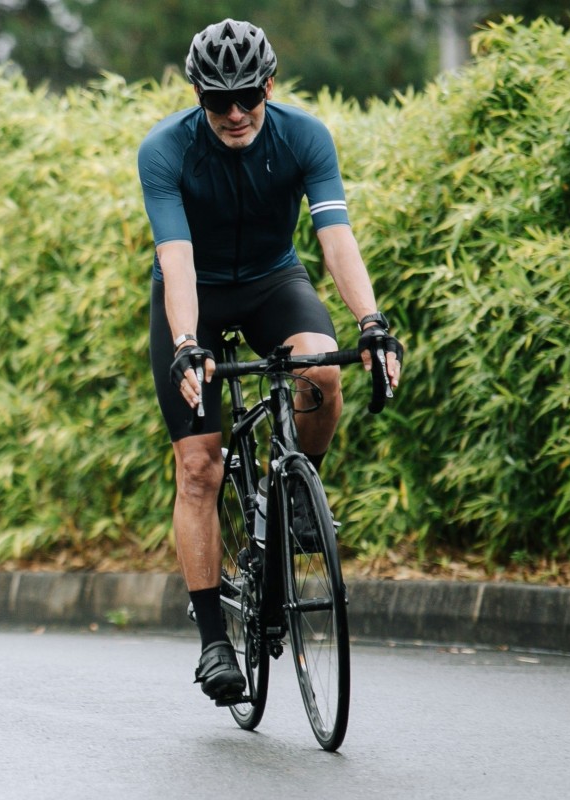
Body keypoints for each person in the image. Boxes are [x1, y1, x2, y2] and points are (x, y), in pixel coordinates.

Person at [136, 21, 403, 703]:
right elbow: (176, 259)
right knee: (199, 467)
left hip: (271, 283)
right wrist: (187, 342)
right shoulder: (164, 150)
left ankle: (293, 493)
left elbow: (335, 238)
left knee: (322, 372)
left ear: (270, 87)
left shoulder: (305, 136)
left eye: (248, 96)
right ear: (197, 96)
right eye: (217, 100)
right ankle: (212, 642)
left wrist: (371, 323)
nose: (234, 113)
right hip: (194, 296)